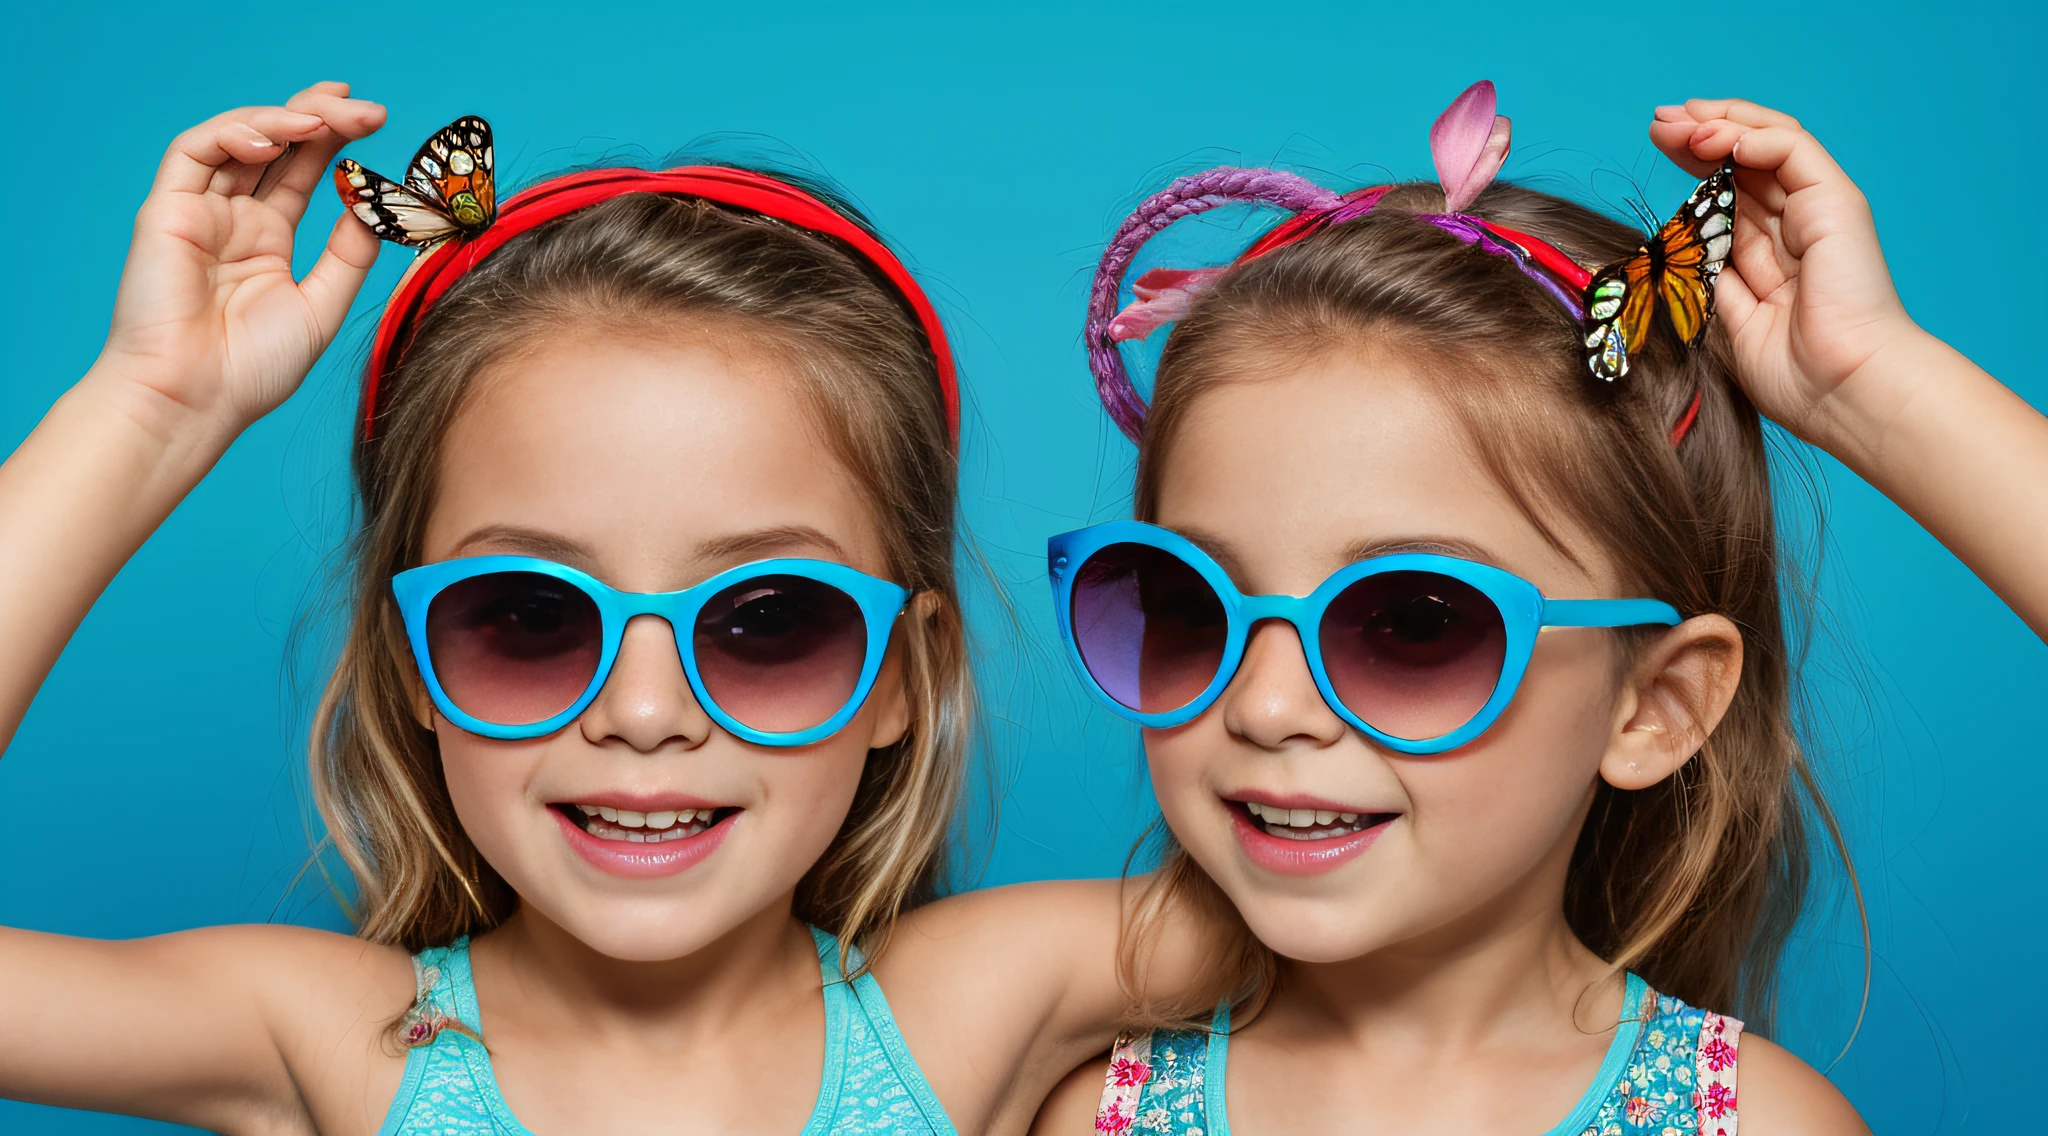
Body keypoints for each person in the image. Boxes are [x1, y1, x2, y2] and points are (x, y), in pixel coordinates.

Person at [0, 82, 1181, 1136]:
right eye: (524, 616)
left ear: (902, 678)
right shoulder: (321, 1037)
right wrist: (150, 411)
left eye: (768, 620)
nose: (644, 711)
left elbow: (1360, 885)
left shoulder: (976, 1001)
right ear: (407, 656)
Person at [1032, 82, 2045, 1133]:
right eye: (1191, 605)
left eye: (1413, 621)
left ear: (1654, 704)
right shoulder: (1079, 1107)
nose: (1266, 704)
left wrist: (1872, 388)